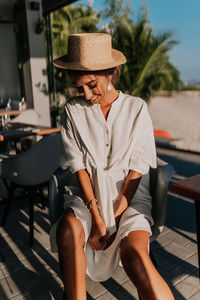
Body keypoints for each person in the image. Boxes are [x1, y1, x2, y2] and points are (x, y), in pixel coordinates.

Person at [50, 33, 174, 300]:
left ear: (111, 73)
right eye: (78, 87)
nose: (85, 94)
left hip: (129, 199)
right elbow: (79, 166)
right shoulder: (73, 109)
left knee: (134, 256)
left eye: (92, 84)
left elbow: (137, 170)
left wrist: (114, 218)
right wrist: (97, 218)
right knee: (68, 230)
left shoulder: (136, 109)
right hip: (88, 196)